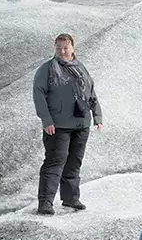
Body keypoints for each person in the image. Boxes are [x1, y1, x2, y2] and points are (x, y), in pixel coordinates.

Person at [32, 33, 104, 215]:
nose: (62, 51)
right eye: (58, 47)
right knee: (55, 162)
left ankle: (71, 198)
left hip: (81, 124)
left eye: (65, 47)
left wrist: (97, 116)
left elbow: (91, 92)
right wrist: (46, 119)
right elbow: (38, 95)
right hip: (57, 126)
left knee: (74, 163)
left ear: (72, 48)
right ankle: (45, 202)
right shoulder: (46, 69)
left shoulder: (80, 68)